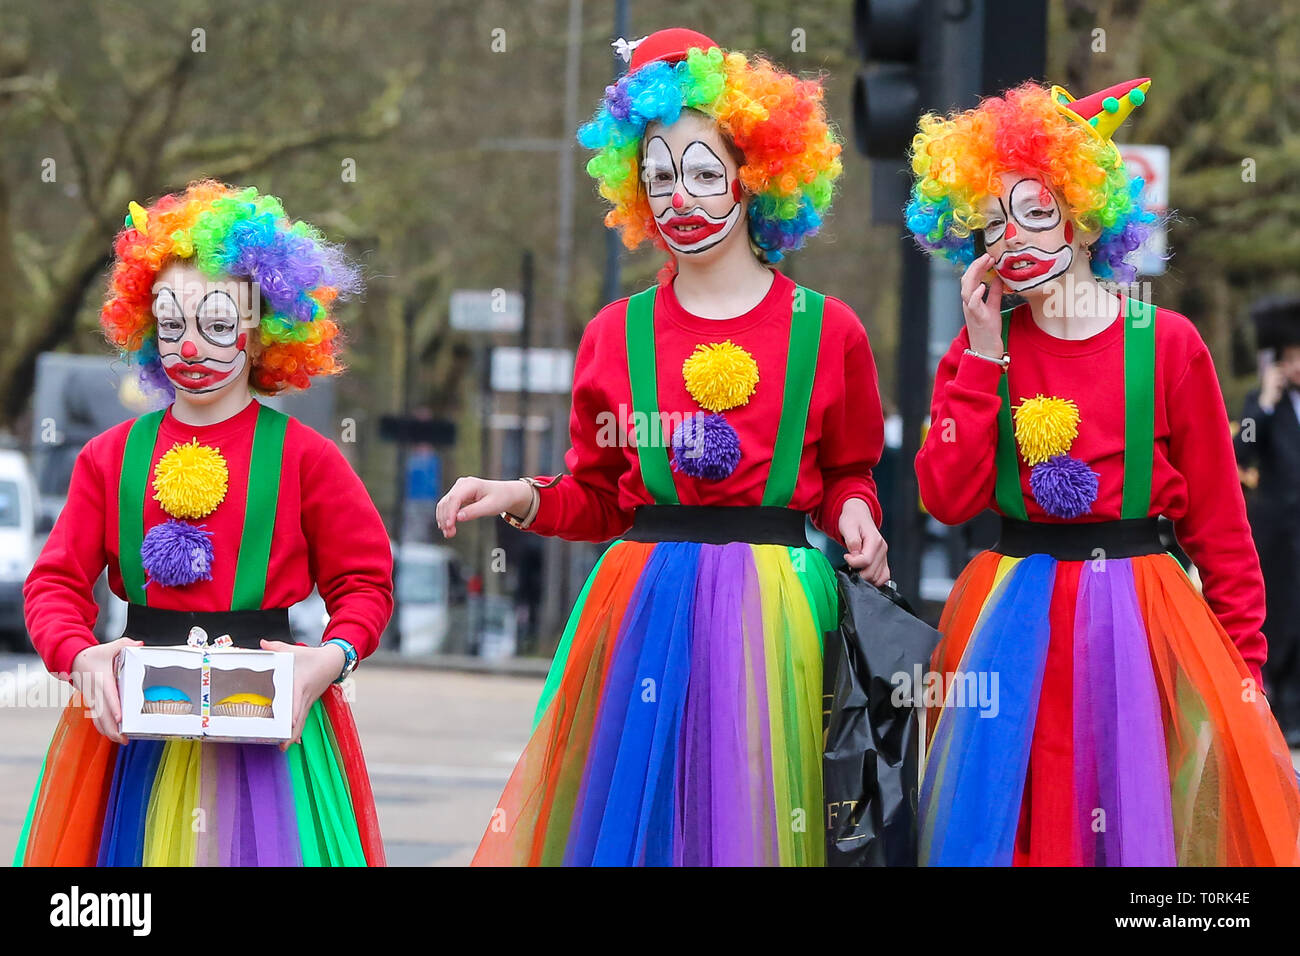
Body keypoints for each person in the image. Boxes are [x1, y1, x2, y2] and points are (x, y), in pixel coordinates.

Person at [437, 28, 888, 866]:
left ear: (756, 177)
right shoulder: (617, 333)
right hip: (644, 605)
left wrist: (858, 514)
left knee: (757, 821)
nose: (681, 196)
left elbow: (847, 472)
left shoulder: (829, 331)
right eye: (660, 177)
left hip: (780, 612)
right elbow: (601, 496)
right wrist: (523, 496)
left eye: (706, 172)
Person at [908, 79, 1300, 865]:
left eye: (1034, 211)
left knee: (1130, 830)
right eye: (991, 222)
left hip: (1140, 619)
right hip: (1009, 625)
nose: (1012, 237)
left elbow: (1221, 531)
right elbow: (945, 497)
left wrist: (1243, 679)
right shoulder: (981, 348)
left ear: (1084, 216)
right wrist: (983, 358)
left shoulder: (1171, 343)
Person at [14, 180, 392, 866]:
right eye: (171, 323)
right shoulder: (109, 457)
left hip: (270, 744)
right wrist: (81, 654)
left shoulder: (309, 459)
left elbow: (364, 582)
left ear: (262, 331)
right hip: (136, 746)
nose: (190, 346)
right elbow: (53, 585)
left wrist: (328, 662)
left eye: (217, 324)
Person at [1237, 296, 1300, 744]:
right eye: (1292, 359)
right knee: (1279, 613)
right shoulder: (1263, 406)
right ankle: (1279, 706)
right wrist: (1266, 399)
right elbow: (1242, 452)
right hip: (1277, 530)